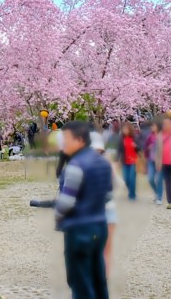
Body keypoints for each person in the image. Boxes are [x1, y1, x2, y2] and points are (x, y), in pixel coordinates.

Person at [55, 121, 112, 299]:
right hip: (100, 226)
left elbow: (66, 203)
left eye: (66, 139)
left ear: (79, 140)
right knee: (98, 279)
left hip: (79, 230)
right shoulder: (102, 163)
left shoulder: (75, 165)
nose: (63, 144)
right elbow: (108, 195)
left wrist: (57, 214)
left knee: (80, 283)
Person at [90, 131, 119, 277]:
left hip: (103, 210)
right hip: (99, 210)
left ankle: (102, 278)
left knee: (105, 248)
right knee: (101, 248)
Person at [115, 122, 138, 201]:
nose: (125, 130)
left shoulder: (134, 137)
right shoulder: (121, 138)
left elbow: (140, 148)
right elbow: (119, 150)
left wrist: (136, 147)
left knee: (132, 179)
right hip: (125, 161)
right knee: (126, 179)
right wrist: (116, 160)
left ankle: (132, 195)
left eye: (126, 129)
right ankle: (131, 191)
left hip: (133, 161)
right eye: (124, 129)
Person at [144, 122, 164, 205]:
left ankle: (159, 197)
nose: (152, 127)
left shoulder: (162, 136)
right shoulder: (149, 136)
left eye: (154, 125)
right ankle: (156, 193)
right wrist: (148, 149)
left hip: (160, 161)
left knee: (159, 179)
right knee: (150, 179)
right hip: (151, 160)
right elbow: (145, 147)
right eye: (151, 126)